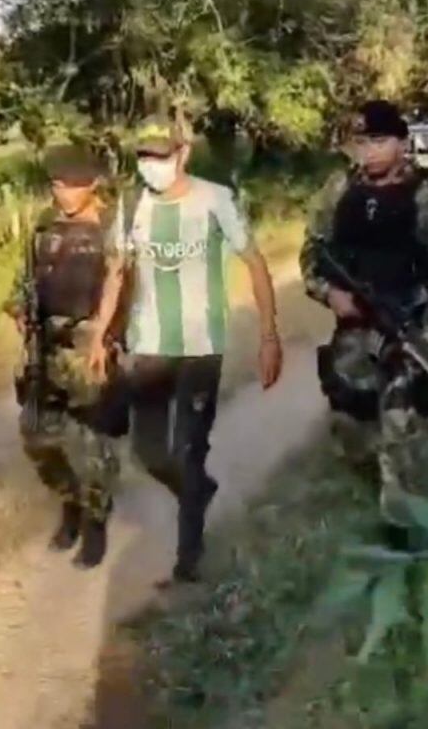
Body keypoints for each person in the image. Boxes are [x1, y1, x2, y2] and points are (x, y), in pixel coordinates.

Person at [90, 121, 284, 585]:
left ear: (183, 155)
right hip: (149, 343)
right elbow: (118, 271)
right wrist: (100, 334)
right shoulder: (133, 205)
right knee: (149, 452)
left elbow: (254, 262)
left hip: (201, 346)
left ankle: (188, 560)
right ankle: (197, 492)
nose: (150, 166)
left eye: (159, 155)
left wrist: (269, 335)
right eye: (143, 156)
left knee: (189, 447)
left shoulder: (215, 199)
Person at [300, 100, 428, 518]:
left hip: (408, 323)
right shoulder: (338, 192)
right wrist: (329, 295)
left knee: (397, 423)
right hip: (355, 328)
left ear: (402, 143)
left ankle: (401, 515)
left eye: (380, 140)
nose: (370, 150)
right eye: (362, 142)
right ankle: (373, 481)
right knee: (350, 428)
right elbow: (312, 255)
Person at [4, 144, 129, 569]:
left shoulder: (113, 225)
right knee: (37, 437)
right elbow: (26, 276)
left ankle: (95, 524)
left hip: (89, 345)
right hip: (46, 346)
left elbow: (125, 283)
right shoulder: (44, 225)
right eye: (56, 185)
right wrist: (20, 308)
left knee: (95, 444)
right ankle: (69, 505)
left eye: (71, 186)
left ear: (92, 184)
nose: (62, 194)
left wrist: (106, 337)